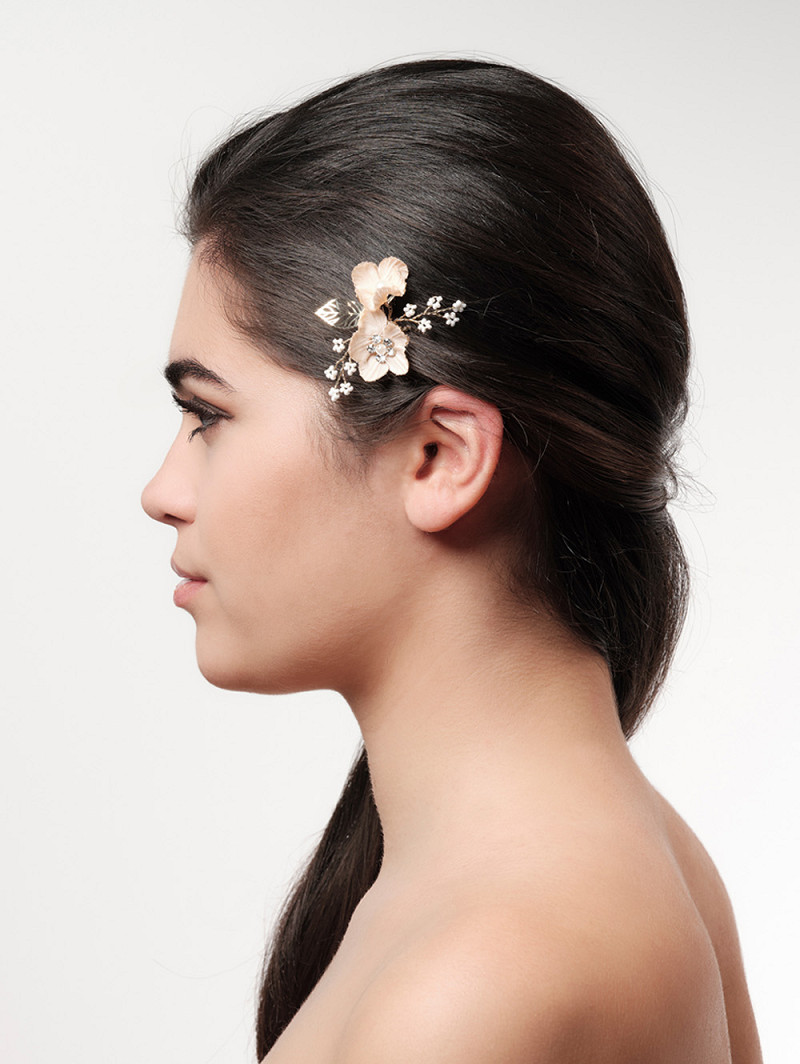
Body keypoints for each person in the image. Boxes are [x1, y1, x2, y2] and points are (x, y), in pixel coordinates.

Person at [141, 58, 762, 1063]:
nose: (162, 490)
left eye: (207, 415)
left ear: (440, 455)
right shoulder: (638, 854)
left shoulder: (477, 978)